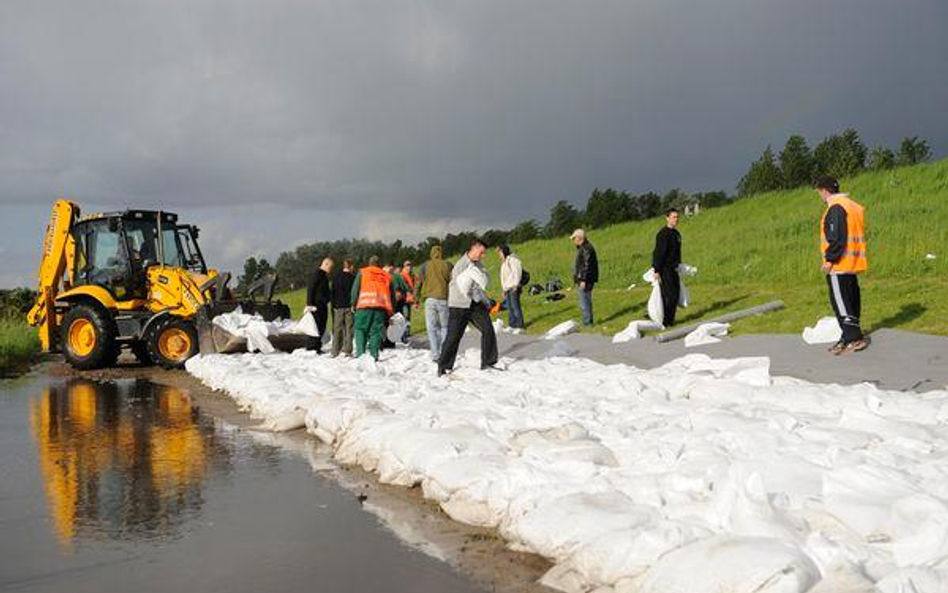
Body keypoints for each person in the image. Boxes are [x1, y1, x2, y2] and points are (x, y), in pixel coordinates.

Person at [816, 175, 870, 355]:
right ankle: (848, 336)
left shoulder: (836, 208)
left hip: (839, 263)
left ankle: (854, 337)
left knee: (840, 301)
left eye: (819, 192)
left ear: (824, 190)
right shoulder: (852, 206)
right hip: (852, 262)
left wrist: (830, 260)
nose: (819, 195)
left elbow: (836, 236)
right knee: (851, 299)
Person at [437, 238, 499, 376]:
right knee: (454, 336)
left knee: (488, 329)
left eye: (484, 253)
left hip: (474, 304)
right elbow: (466, 288)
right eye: (481, 252)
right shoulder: (461, 265)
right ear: (473, 248)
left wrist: (486, 301)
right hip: (459, 304)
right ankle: (444, 366)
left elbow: (480, 283)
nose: (482, 255)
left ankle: (488, 362)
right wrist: (484, 299)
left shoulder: (478, 264)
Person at [351, 256, 395, 361]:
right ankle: (374, 356)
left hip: (363, 307)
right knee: (375, 332)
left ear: (369, 263)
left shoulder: (363, 272)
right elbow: (392, 295)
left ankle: (361, 355)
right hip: (380, 309)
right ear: (379, 265)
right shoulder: (387, 276)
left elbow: (355, 290)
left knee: (360, 330)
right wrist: (391, 312)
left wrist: (353, 303)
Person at [417, 245, 452, 361]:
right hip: (444, 298)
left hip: (430, 299)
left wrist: (416, 298)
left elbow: (419, 283)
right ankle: (445, 351)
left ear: (431, 253)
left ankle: (435, 353)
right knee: (445, 326)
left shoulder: (424, 265)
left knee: (432, 327)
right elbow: (453, 282)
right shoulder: (448, 265)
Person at [652, 208, 682, 327]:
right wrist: (656, 270)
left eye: (677, 217)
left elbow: (677, 252)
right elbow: (658, 253)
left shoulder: (677, 234)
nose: (676, 219)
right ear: (667, 218)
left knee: (676, 294)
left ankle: (670, 320)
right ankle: (664, 321)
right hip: (665, 269)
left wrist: (680, 265)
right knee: (669, 295)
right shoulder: (663, 234)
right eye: (674, 217)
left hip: (674, 268)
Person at [570, 229, 599, 326]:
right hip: (584, 279)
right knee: (584, 301)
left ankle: (587, 322)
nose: (573, 240)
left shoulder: (586, 249)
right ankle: (587, 321)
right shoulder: (583, 248)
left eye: (574, 238)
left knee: (584, 302)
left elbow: (587, 266)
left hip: (585, 280)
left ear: (579, 238)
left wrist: (583, 280)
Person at [305, 257, 333, 354]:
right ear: (325, 264)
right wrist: (309, 304)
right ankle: (312, 347)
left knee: (321, 326)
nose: (331, 269)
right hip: (316, 306)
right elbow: (311, 289)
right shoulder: (316, 275)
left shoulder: (323, 275)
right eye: (330, 267)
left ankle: (317, 346)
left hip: (322, 305)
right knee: (315, 326)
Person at [330, 258, 356, 357]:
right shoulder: (353, 278)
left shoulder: (336, 277)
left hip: (338, 307)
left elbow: (332, 292)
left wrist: (333, 306)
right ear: (350, 266)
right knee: (349, 329)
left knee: (337, 329)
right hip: (349, 307)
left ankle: (335, 351)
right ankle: (348, 351)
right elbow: (354, 293)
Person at [497, 244, 524, 329]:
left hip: (514, 287)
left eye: (500, 252)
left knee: (515, 307)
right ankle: (512, 325)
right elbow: (504, 277)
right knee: (510, 307)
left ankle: (519, 325)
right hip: (508, 288)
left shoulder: (513, 260)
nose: (499, 255)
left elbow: (517, 272)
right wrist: (504, 289)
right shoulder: (504, 262)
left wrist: (516, 284)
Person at [398, 261, 416, 342]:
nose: (409, 267)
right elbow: (405, 287)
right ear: (404, 267)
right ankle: (404, 335)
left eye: (410, 266)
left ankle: (407, 333)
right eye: (407, 266)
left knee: (408, 317)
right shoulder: (401, 276)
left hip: (409, 299)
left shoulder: (412, 276)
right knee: (404, 317)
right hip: (403, 300)